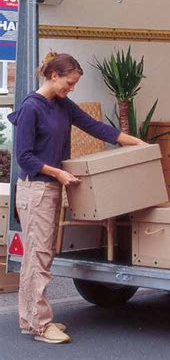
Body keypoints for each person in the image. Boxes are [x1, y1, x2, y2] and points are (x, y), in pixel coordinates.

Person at [8, 52, 145, 344]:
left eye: (74, 85)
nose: (71, 88)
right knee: (38, 257)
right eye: (69, 83)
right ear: (53, 75)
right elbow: (24, 158)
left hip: (51, 188)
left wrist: (135, 143)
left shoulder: (62, 105)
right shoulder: (32, 108)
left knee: (40, 255)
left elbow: (95, 126)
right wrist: (58, 174)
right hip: (37, 189)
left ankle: (33, 318)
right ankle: (40, 325)